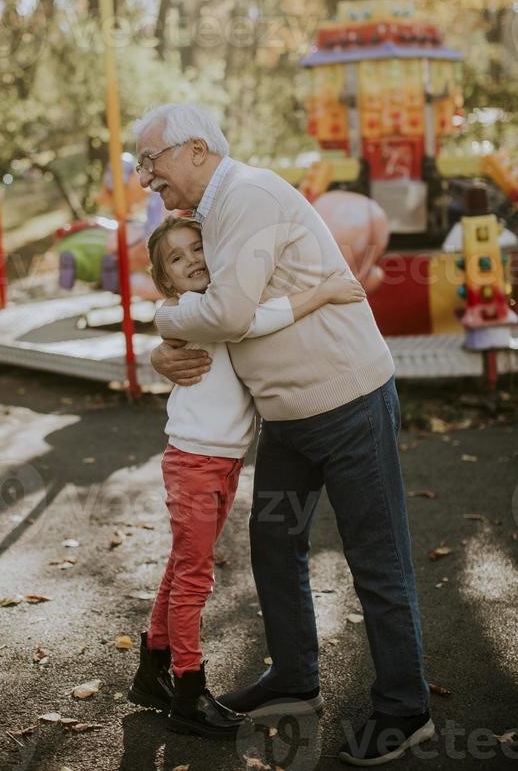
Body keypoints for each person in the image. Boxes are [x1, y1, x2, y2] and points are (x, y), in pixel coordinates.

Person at [132, 103, 435, 766]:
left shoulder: (248, 195)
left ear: (194, 150)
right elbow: (206, 310)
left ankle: (405, 709)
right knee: (275, 544)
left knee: (376, 558)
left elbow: (231, 314)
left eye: (149, 163)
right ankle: (296, 679)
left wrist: (168, 321)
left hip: (348, 406)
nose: (145, 179)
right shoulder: (211, 215)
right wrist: (166, 342)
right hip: (290, 422)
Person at [128, 214, 365, 740]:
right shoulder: (195, 311)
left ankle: (152, 670)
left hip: (222, 460)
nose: (191, 259)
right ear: (166, 279)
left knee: (181, 566)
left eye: (197, 248)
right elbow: (255, 322)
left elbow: (249, 316)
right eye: (176, 257)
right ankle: (189, 691)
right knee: (194, 578)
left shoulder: (211, 305)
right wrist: (324, 291)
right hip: (194, 461)